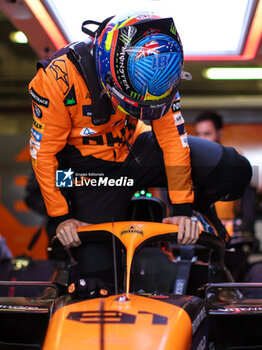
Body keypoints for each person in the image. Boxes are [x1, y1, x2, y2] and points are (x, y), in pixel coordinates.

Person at [28, 12, 251, 261]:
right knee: (98, 278)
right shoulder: (56, 79)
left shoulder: (162, 73)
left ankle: (199, 206)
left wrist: (182, 208)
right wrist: (62, 217)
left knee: (233, 168)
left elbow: (173, 140)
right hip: (90, 173)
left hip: (137, 148)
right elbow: (43, 153)